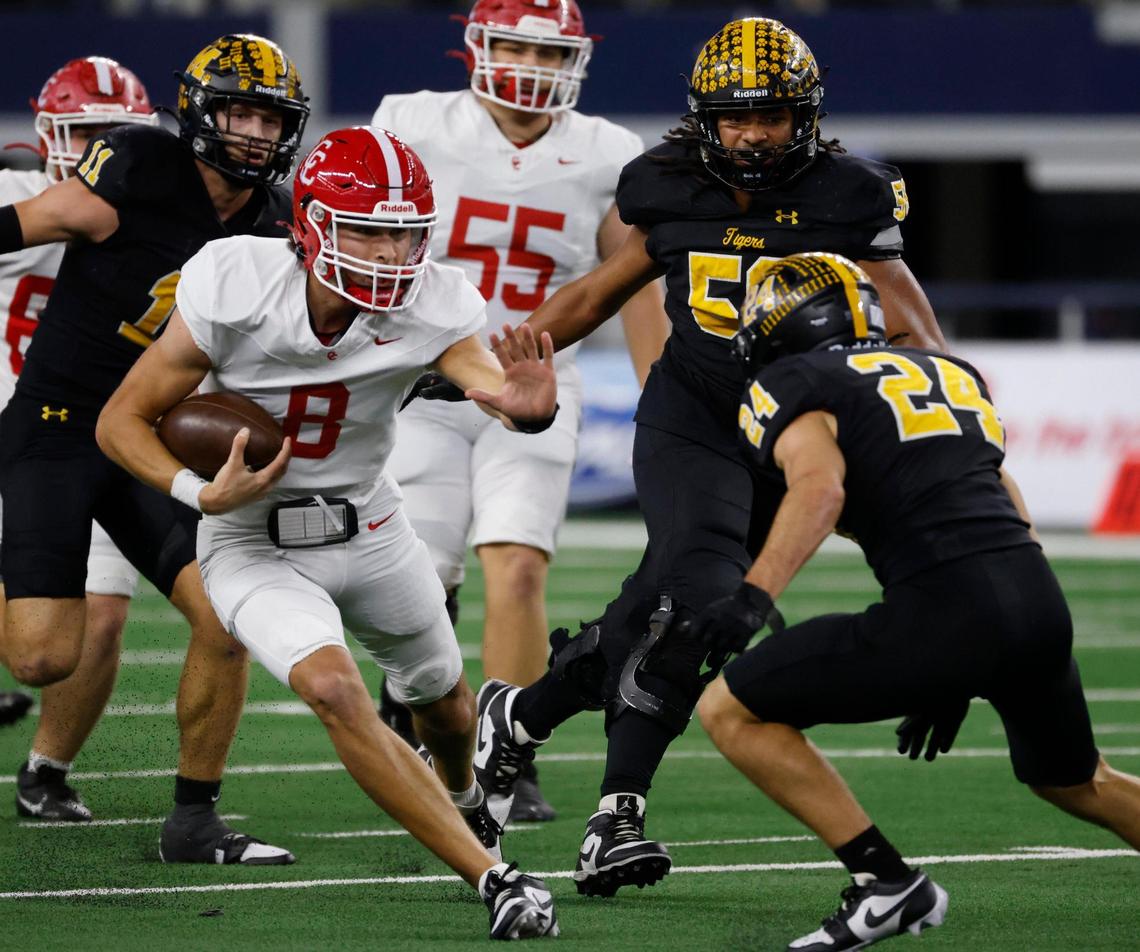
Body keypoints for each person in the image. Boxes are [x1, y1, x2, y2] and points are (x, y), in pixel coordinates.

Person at [472, 16, 947, 896]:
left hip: (796, 425)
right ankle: (616, 818)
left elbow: (912, 324)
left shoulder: (851, 194)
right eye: (736, 117)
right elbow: (600, 291)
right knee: (701, 596)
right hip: (694, 413)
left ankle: (521, 715)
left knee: (659, 607)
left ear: (805, 114)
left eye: (772, 116)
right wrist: (505, 360)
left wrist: (941, 402)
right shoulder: (665, 184)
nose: (755, 133)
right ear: (705, 117)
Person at [96, 125, 561, 941]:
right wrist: (196, 492)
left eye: (404, 233)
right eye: (367, 230)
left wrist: (529, 407)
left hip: (373, 526)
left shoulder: (437, 301)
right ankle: (496, 875)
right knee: (336, 690)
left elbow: (493, 386)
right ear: (309, 223)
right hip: (252, 541)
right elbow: (119, 420)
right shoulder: (234, 282)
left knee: (447, 709)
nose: (389, 253)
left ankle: (465, 804)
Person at [693, 250, 1140, 951]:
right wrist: (965, 663)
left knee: (729, 707)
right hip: (1032, 593)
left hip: (951, 609)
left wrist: (753, 597)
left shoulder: (794, 379)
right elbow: (1000, 488)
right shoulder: (949, 371)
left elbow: (821, 488)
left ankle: (886, 883)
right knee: (1078, 781)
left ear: (783, 323)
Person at [0, 34, 309, 863]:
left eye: (268, 115)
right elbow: (41, 217)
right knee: (39, 656)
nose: (252, 130)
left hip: (154, 434)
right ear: (199, 110)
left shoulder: (281, 222)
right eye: (238, 109)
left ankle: (194, 819)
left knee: (226, 615)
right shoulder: (138, 165)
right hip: (61, 425)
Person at [372, 0, 669, 822]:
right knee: (422, 574)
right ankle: (420, 702)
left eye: (550, 53)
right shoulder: (413, 123)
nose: (533, 69)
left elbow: (633, 273)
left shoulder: (607, 152)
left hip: (539, 382)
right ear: (478, 46)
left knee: (519, 562)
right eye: (515, 47)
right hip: (423, 382)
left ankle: (509, 749)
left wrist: (663, 393)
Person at [0, 56, 156, 819]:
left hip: (96, 434)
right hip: (15, 419)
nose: (99, 150)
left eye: (113, 135)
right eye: (84, 133)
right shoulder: (15, 197)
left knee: (105, 608)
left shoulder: (158, 220)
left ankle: (47, 770)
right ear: (49, 136)